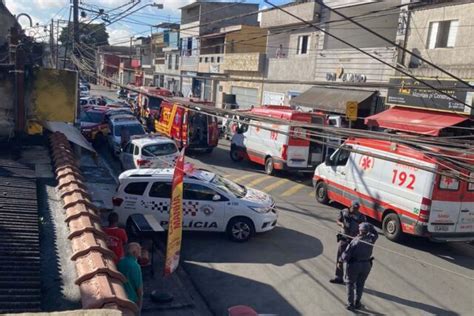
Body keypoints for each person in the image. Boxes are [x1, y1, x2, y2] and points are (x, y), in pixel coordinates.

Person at [339, 222, 378, 310]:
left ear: (360, 231)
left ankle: (350, 304)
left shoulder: (355, 241)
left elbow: (346, 255)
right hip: (366, 265)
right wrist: (370, 225)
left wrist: (340, 261)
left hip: (354, 265)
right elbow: (375, 233)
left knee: (350, 283)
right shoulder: (371, 239)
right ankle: (357, 302)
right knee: (360, 285)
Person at [330, 200, 366, 284]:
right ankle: (338, 277)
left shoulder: (361, 217)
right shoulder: (344, 212)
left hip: (353, 242)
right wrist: (341, 224)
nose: (356, 210)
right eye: (354, 208)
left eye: (357, 208)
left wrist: (360, 233)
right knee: (340, 258)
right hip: (344, 239)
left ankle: (350, 280)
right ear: (351, 206)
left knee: (352, 261)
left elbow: (364, 228)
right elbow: (338, 221)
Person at [118, 242, 144, 310]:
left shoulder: (120, 262)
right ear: (134, 252)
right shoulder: (135, 266)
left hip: (120, 296)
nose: (140, 251)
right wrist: (140, 306)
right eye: (139, 249)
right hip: (132, 300)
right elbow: (139, 289)